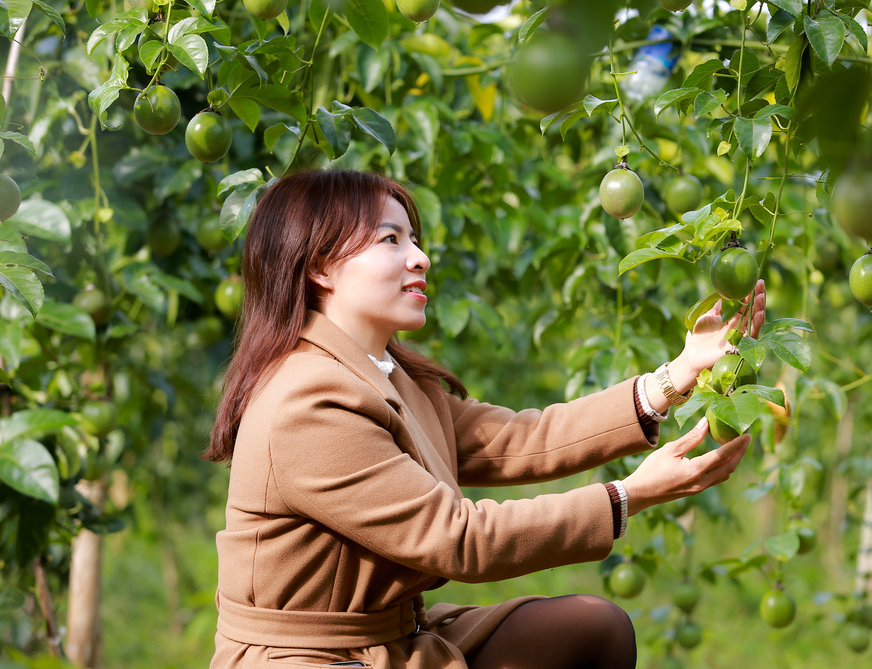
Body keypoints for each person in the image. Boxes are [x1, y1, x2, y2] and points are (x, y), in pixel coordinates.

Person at [205, 169, 766, 669]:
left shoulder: (388, 375)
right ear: (321, 267)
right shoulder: (309, 403)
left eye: (414, 238)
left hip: (391, 637)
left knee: (594, 630)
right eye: (390, 239)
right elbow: (458, 538)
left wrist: (677, 374)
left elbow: (520, 440)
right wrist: (627, 497)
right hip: (306, 655)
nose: (419, 257)